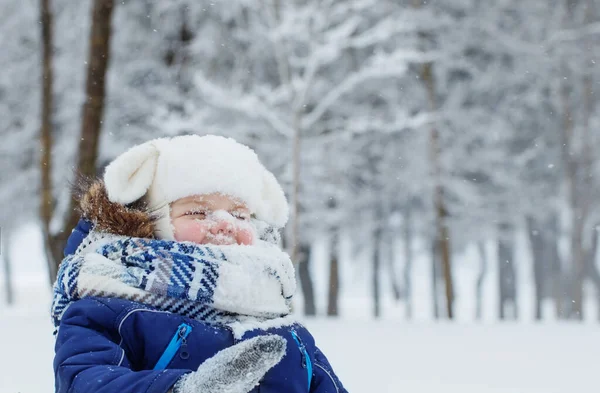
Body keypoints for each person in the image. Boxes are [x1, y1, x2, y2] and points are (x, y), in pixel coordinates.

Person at [51, 134, 347, 393]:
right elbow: (84, 380)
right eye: (197, 212)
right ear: (155, 222)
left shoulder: (278, 318)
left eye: (240, 214)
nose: (225, 224)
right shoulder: (108, 306)